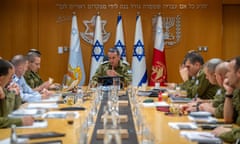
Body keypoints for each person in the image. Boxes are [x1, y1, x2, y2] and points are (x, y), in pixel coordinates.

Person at [212, 56, 240, 143]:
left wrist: (228, 133)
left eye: (229, 71)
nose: (226, 75)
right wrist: (229, 92)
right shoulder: (237, 92)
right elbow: (227, 119)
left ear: (239, 72)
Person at [0, 59, 34, 128]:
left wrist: (16, 94)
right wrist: (21, 121)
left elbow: (15, 109)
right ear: (1, 78)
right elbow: (6, 115)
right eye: (10, 77)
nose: (11, 80)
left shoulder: (4, 89)